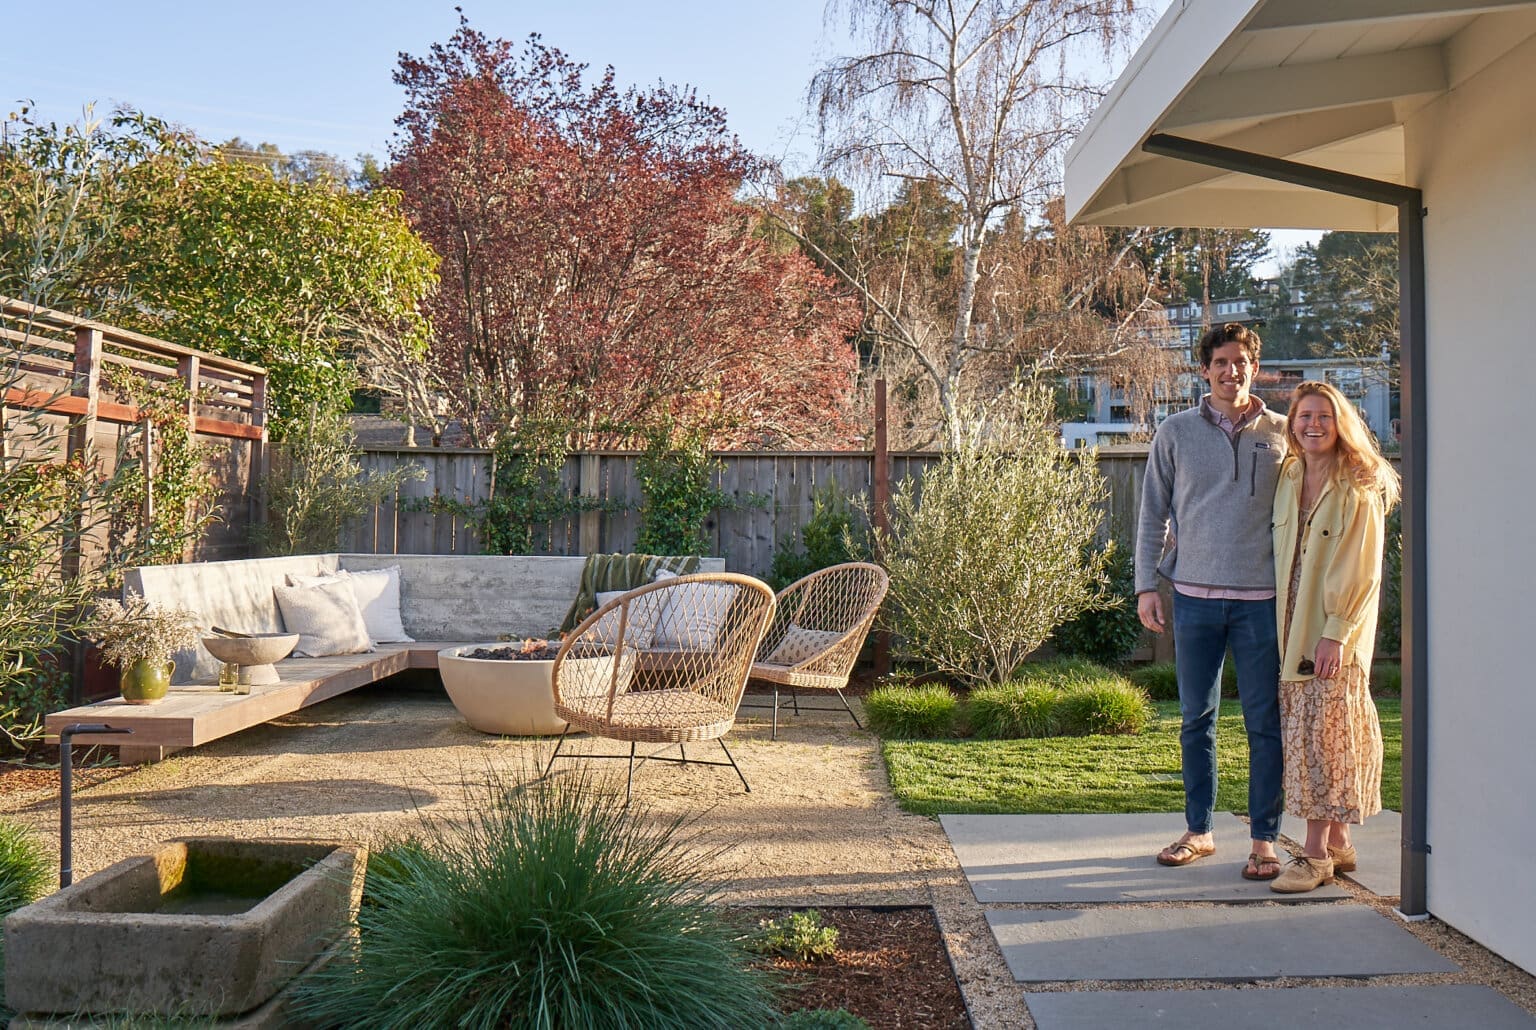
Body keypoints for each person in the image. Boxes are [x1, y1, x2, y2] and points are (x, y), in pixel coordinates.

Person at [1135, 322, 1288, 880]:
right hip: (1194, 600)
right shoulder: (1175, 432)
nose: (1231, 371)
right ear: (1204, 368)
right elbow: (1152, 513)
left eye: (1241, 362)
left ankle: (1264, 840)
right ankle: (1199, 831)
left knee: (1263, 724)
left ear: (1254, 366)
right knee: (1195, 720)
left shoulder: (1283, 433)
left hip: (1261, 603)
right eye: (1221, 362)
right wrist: (1146, 586)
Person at [1268, 381, 1398, 893]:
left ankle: (1315, 857)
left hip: (1330, 633)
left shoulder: (1357, 484)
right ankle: (1341, 845)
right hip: (1290, 626)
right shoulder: (1290, 474)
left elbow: (1362, 571)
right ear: (1292, 423)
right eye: (1304, 416)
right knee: (1308, 736)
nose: (1313, 424)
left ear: (1340, 422)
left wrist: (1336, 634)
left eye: (1323, 415)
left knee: (1325, 740)